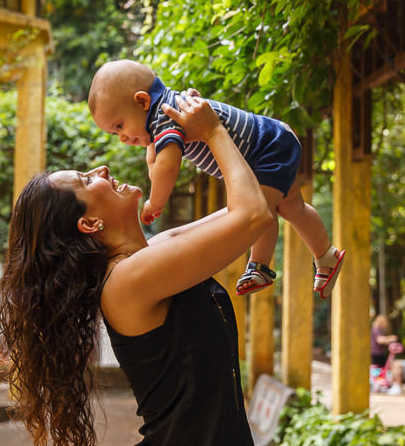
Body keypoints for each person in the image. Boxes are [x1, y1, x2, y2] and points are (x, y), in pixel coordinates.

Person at [0, 92, 274, 446]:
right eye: (88, 180)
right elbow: (253, 215)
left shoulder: (154, 255)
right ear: (89, 224)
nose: (102, 170)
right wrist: (214, 131)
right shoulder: (127, 281)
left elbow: (256, 204)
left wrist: (257, 142)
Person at [87, 59, 344, 299]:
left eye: (119, 126)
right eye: (114, 133)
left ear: (142, 101)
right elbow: (159, 160)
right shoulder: (167, 109)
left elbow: (167, 168)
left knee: (261, 208)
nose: (121, 137)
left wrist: (155, 203)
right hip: (272, 141)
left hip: (266, 147)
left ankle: (261, 265)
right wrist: (150, 149)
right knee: (291, 206)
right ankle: (326, 255)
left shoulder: (165, 116)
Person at [370, 314, 405, 395]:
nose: (386, 324)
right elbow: (379, 340)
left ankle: (381, 385)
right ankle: (378, 385)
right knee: (378, 370)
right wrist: (390, 338)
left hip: (380, 354)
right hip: (376, 354)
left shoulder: (379, 330)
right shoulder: (376, 329)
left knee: (383, 370)